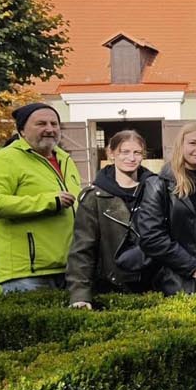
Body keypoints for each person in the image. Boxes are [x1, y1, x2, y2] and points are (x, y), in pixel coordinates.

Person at [0, 102, 82, 293]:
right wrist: (48, 202)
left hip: (69, 267)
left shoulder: (65, 160)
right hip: (27, 273)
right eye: (41, 124)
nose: (49, 129)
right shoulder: (4, 160)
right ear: (22, 130)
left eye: (54, 124)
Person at [135, 121, 196, 295]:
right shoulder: (159, 184)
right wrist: (194, 267)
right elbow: (152, 237)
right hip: (176, 277)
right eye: (193, 143)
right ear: (181, 145)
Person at [66, 128, 152, 307]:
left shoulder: (156, 190)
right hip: (110, 287)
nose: (131, 158)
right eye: (124, 152)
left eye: (137, 152)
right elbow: (83, 249)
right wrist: (80, 294)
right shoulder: (94, 197)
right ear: (111, 154)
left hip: (153, 283)